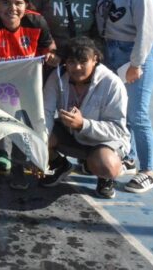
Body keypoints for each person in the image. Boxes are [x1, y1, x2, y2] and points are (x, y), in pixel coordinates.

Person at [0, 0, 57, 189]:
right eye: (5, 2)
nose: (12, 8)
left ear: (26, 5)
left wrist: (51, 58)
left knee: (24, 126)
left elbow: (50, 49)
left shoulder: (37, 22)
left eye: (18, 3)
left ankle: (19, 166)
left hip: (27, 88)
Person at [95, 0, 153, 194]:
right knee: (117, 112)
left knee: (137, 116)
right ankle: (128, 157)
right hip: (108, 51)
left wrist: (136, 63)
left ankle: (148, 171)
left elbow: (147, 31)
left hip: (132, 53)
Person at [40, 37, 130, 199]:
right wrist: (38, 149)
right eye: (72, 62)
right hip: (70, 134)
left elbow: (117, 130)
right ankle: (59, 164)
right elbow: (45, 113)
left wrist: (83, 124)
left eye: (83, 62)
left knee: (107, 165)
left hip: (103, 141)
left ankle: (105, 178)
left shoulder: (112, 83)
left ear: (95, 59)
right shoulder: (58, 76)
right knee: (35, 137)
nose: (77, 67)